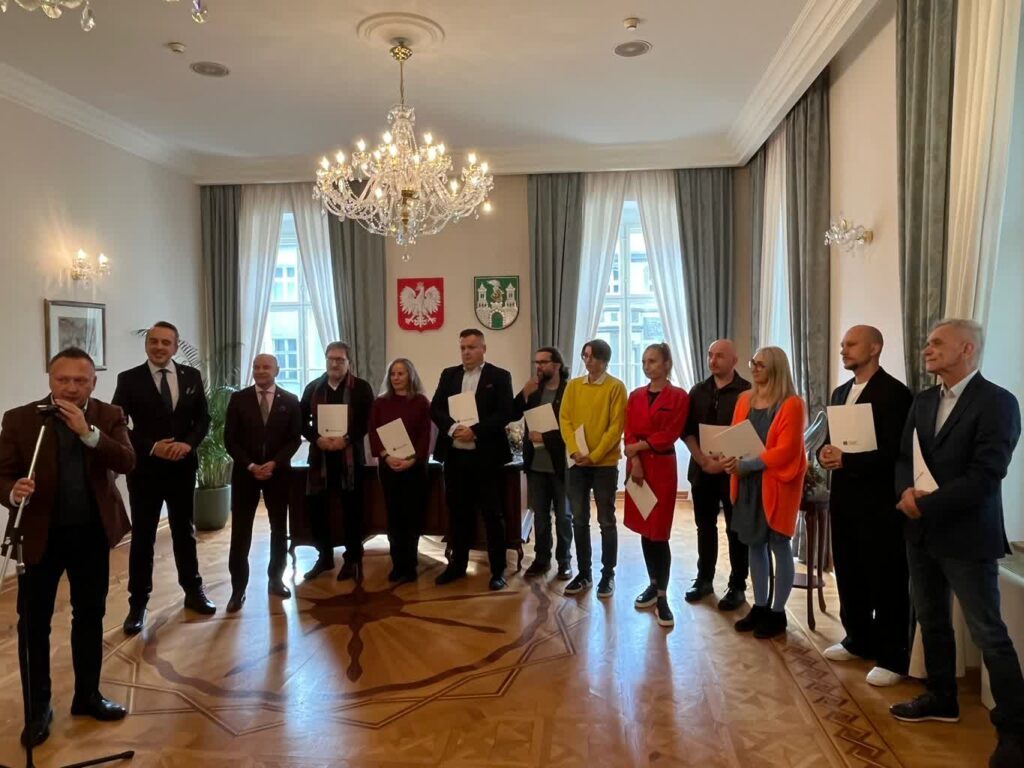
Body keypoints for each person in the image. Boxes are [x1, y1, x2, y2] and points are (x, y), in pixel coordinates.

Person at [890, 319, 1024, 768]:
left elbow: (987, 474)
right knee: (931, 620)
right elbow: (904, 457)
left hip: (967, 535)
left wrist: (926, 505)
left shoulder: (998, 402)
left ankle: (1014, 731)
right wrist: (905, 494)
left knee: (989, 634)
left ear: (967, 349)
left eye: (937, 343)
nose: (927, 349)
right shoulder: (924, 400)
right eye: (927, 343)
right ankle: (942, 697)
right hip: (921, 531)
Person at [0, 348, 135, 746]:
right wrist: (12, 491)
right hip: (39, 535)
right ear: (50, 379)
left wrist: (88, 433)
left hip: (91, 534)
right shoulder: (20, 419)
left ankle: (87, 695)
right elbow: (1, 475)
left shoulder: (109, 415)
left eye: (80, 380)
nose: (71, 388)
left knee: (90, 616)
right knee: (33, 623)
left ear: (94, 382)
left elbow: (127, 461)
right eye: (63, 380)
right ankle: (38, 708)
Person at [818, 326, 913, 686]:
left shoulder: (895, 393)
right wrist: (824, 453)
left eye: (851, 344)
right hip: (844, 498)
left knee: (885, 577)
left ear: (875, 348)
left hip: (879, 501)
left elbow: (894, 451)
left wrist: (847, 460)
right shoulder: (841, 392)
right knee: (849, 570)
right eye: (842, 344)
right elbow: (832, 441)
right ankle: (858, 638)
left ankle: (891, 656)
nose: (844, 350)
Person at [113, 321, 213, 635]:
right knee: (144, 537)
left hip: (182, 467)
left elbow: (203, 419)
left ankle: (193, 591)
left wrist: (188, 444)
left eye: (165, 342)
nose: (158, 347)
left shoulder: (191, 376)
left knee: (185, 532)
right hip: (145, 470)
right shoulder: (129, 379)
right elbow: (118, 424)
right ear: (147, 345)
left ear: (175, 346)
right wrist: (152, 447)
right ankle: (138, 603)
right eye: (153, 341)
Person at [723, 346, 806, 639]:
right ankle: (759, 606)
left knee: (779, 545)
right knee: (754, 545)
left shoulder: (792, 404)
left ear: (776, 369)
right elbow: (735, 436)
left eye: (761, 364)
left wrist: (747, 464)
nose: (754, 369)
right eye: (753, 363)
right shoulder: (744, 399)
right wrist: (730, 458)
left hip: (777, 484)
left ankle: (777, 612)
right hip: (748, 482)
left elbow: (786, 451)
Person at [431, 329, 515, 590]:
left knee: (492, 514)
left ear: (483, 349)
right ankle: (457, 566)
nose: (466, 352)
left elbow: (505, 413)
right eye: (463, 348)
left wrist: (475, 431)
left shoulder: (499, 376)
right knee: (458, 513)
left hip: (486, 458)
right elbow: (436, 408)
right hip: (455, 457)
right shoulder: (449, 375)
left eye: (471, 347)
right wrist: (453, 428)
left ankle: (498, 571)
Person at [223, 354, 302, 612]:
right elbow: (230, 440)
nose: (260, 371)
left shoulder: (290, 400)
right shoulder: (239, 399)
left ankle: (276, 579)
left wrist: (275, 463)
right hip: (245, 474)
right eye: (256, 367)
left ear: (276, 370)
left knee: (279, 528)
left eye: (266, 367)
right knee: (240, 531)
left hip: (278, 474)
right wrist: (250, 465)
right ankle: (238, 588)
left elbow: (294, 439)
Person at [681, 338, 751, 611]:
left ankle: (737, 586)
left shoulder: (747, 392)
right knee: (705, 527)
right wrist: (702, 459)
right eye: (710, 355)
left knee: (736, 530)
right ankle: (704, 579)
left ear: (734, 360)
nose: (713, 360)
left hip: (733, 472)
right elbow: (687, 430)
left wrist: (722, 464)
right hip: (702, 470)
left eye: (720, 356)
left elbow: (750, 434)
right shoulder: (697, 390)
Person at [624, 343, 690, 627]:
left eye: (652, 361)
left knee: (659, 532)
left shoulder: (679, 397)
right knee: (645, 528)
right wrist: (635, 458)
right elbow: (628, 430)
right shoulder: (635, 395)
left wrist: (639, 447)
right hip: (638, 466)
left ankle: (663, 595)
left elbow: (670, 433)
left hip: (661, 467)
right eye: (644, 361)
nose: (647, 366)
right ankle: (652, 584)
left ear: (666, 364)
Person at [300, 342, 374, 582]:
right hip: (320, 459)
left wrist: (347, 439)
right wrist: (317, 439)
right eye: (331, 359)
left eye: (340, 359)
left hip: (350, 459)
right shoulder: (313, 388)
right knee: (318, 509)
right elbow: (301, 421)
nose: (335, 363)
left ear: (348, 362)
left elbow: (367, 420)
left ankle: (353, 558)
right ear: (325, 360)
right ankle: (324, 557)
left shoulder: (361, 388)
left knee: (353, 510)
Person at [559, 338, 627, 599]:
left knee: (606, 520)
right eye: (585, 356)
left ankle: (608, 574)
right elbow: (565, 419)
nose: (588, 361)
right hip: (577, 462)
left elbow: (615, 427)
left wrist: (595, 455)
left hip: (604, 465)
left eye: (593, 356)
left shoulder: (615, 387)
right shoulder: (574, 386)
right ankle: (584, 573)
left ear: (604, 360)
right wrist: (575, 450)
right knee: (579, 519)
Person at [368, 358, 432, 582]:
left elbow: (425, 434)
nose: (396, 378)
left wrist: (412, 460)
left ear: (410, 376)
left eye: (401, 373)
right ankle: (397, 564)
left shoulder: (421, 402)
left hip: (415, 468)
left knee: (412, 516)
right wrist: (386, 456)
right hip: (389, 467)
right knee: (394, 516)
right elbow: (374, 432)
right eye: (393, 374)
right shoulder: (380, 403)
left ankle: (411, 564)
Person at [512, 346, 572, 580]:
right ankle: (541, 559)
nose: (538, 367)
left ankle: (564, 561)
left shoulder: (569, 391)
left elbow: (573, 428)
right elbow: (512, 414)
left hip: (560, 464)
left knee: (564, 516)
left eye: (543, 362)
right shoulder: (534, 390)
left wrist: (545, 437)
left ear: (557, 365)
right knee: (540, 516)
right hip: (536, 464)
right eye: (536, 362)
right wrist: (523, 394)